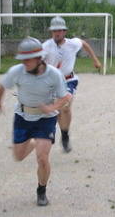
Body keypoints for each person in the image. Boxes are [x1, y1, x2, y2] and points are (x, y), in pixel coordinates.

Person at [0, 37, 72, 206]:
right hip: (22, 117)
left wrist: (52, 107)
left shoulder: (54, 75)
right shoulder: (17, 71)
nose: (24, 63)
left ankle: (41, 191)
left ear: (39, 58)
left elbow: (66, 97)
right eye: (22, 59)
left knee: (42, 158)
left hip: (45, 119)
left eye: (28, 59)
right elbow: (1, 86)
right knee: (18, 156)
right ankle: (33, 142)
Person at [42, 16, 102, 153]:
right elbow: (37, 62)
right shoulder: (45, 46)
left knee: (65, 107)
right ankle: (59, 131)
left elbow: (84, 44)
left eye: (59, 30)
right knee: (56, 110)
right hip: (51, 82)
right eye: (54, 31)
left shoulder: (73, 43)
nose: (57, 33)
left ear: (65, 31)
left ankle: (64, 135)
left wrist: (95, 60)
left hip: (69, 80)